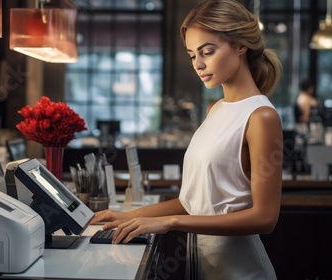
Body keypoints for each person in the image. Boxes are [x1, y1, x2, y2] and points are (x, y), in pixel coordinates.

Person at [91, 0, 283, 279]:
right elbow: (194, 202)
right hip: (200, 262)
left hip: (242, 269)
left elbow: (265, 218)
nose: (199, 64)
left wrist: (170, 223)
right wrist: (128, 216)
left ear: (241, 45)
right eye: (193, 55)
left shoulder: (261, 117)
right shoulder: (214, 110)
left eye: (208, 51)